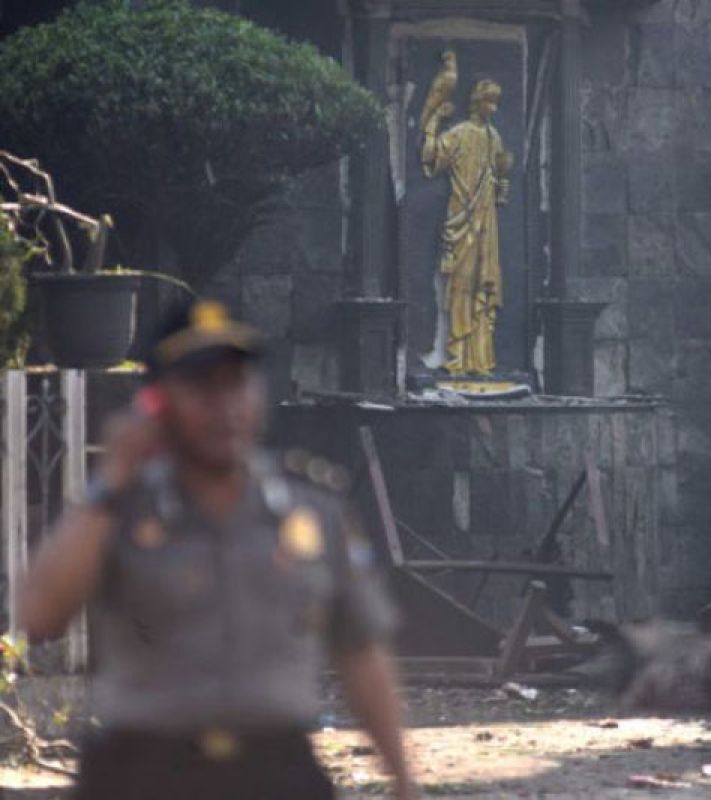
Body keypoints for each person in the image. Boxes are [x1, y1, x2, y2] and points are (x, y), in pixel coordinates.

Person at [19, 299, 417, 800]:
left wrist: (403, 779)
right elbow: (39, 616)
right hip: (141, 773)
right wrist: (110, 483)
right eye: (202, 387)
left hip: (277, 772)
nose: (225, 405)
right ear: (158, 402)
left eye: (237, 383)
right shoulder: (119, 512)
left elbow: (361, 651)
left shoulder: (313, 512)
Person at [421, 77, 513, 376]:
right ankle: (458, 353)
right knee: (460, 284)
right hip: (461, 217)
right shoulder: (459, 134)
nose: (493, 108)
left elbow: (499, 177)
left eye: (496, 102)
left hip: (486, 221)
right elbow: (433, 159)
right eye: (489, 101)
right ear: (476, 102)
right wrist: (433, 121)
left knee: (484, 284)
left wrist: (501, 183)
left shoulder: (493, 136)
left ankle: (481, 357)